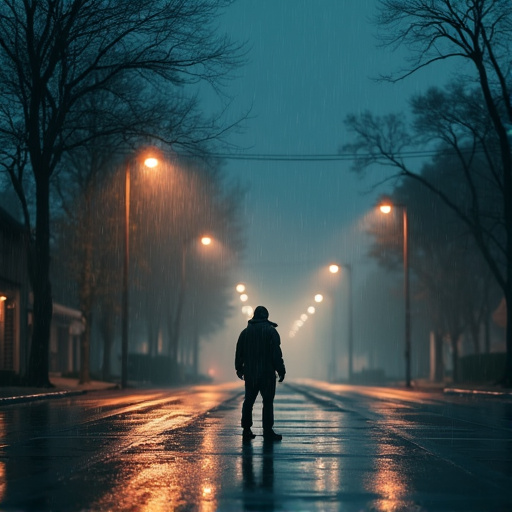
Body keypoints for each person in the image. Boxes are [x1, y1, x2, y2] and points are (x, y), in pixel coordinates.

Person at [235, 305, 286, 441]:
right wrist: (280, 370)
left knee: (249, 401)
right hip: (267, 374)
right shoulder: (271, 332)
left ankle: (246, 429)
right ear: (266, 316)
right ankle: (268, 431)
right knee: (268, 402)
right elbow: (276, 353)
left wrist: (239, 368)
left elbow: (239, 352)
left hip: (251, 373)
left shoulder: (245, 333)